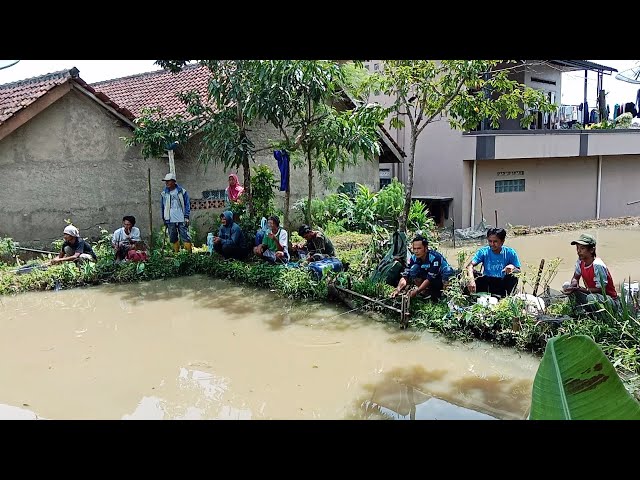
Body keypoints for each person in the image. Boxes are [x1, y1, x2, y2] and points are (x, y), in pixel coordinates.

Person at [562, 233, 619, 312]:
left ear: (591, 250)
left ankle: (599, 317)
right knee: (566, 285)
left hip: (608, 300)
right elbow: (575, 277)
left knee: (591, 298)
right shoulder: (580, 262)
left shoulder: (597, 265)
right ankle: (578, 310)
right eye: (577, 248)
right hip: (591, 294)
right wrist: (573, 285)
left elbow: (601, 290)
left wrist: (581, 289)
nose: (578, 251)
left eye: (582, 248)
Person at [390, 235, 454, 300]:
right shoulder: (413, 258)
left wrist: (417, 291)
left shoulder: (434, 257)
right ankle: (425, 292)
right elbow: (405, 276)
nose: (416, 251)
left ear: (425, 248)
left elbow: (430, 278)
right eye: (414, 249)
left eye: (419, 248)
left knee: (447, 271)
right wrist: (398, 289)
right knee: (413, 269)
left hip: (439, 277)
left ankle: (446, 295)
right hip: (427, 276)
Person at [466, 227, 521, 297]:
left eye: (495, 241)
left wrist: (512, 267)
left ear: (502, 241)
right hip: (487, 282)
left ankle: (507, 296)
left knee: (515, 273)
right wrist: (471, 280)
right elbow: (470, 266)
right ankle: (470, 295)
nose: (492, 244)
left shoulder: (510, 252)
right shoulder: (483, 251)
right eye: (490, 241)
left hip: (502, 283)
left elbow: (518, 270)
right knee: (469, 272)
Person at [160, 173, 192, 253]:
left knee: (185, 235)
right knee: (173, 237)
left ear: (173, 182)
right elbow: (163, 206)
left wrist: (186, 216)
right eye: (166, 181)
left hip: (181, 217)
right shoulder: (164, 193)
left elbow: (187, 204)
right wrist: (164, 218)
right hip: (170, 218)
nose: (166, 183)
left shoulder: (182, 192)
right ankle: (176, 253)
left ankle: (189, 254)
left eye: (168, 181)